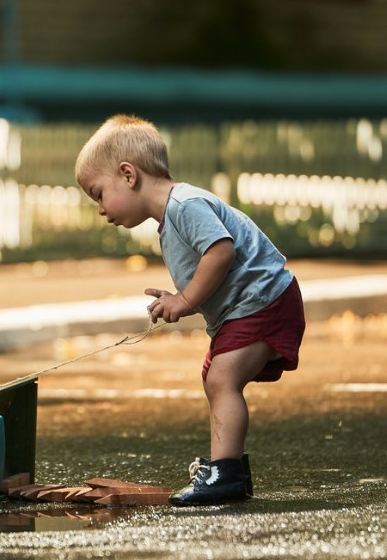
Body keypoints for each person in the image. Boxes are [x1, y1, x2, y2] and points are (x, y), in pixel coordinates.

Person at [74, 114, 306, 506]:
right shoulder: (173, 216)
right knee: (214, 377)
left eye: (98, 194)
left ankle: (225, 474)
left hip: (265, 300)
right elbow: (216, 271)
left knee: (222, 379)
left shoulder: (184, 205)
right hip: (254, 302)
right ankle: (230, 470)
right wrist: (180, 296)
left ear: (128, 175)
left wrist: (184, 300)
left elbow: (221, 252)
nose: (99, 209)